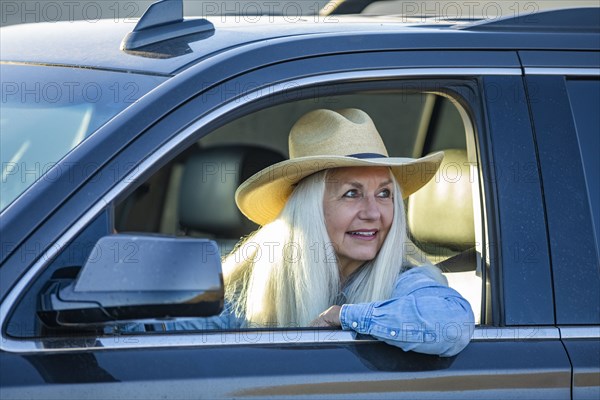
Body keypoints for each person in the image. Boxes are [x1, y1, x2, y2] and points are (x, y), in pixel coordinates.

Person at [162, 108, 474, 357]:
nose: (373, 213)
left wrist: (345, 316)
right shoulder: (257, 273)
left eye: (384, 193)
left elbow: (451, 324)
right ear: (310, 210)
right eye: (352, 194)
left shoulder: (405, 278)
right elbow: (170, 333)